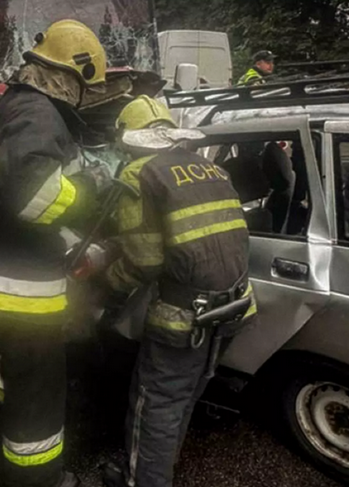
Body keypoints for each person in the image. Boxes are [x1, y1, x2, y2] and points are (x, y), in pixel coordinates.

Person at [0, 19, 111, 487]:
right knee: (40, 385)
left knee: (17, 362)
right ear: (76, 75)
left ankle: (6, 406)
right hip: (20, 286)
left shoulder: (12, 105)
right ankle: (38, 478)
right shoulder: (38, 115)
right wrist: (92, 184)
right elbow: (35, 200)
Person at [99, 96, 257, 487]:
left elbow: (145, 261)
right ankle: (155, 470)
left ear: (131, 139)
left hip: (186, 317)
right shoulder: (210, 168)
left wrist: (107, 286)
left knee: (155, 406)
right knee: (185, 395)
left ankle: (142, 481)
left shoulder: (139, 175)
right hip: (236, 306)